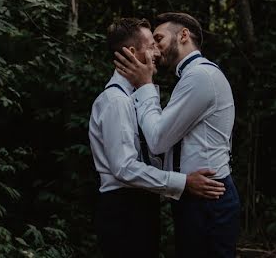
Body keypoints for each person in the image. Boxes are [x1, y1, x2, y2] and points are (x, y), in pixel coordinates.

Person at [90, 17, 226, 258]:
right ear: (132, 52)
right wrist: (183, 182)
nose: (157, 52)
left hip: (141, 205)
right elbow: (124, 168)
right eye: (151, 45)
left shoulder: (135, 98)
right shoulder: (116, 101)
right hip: (123, 210)